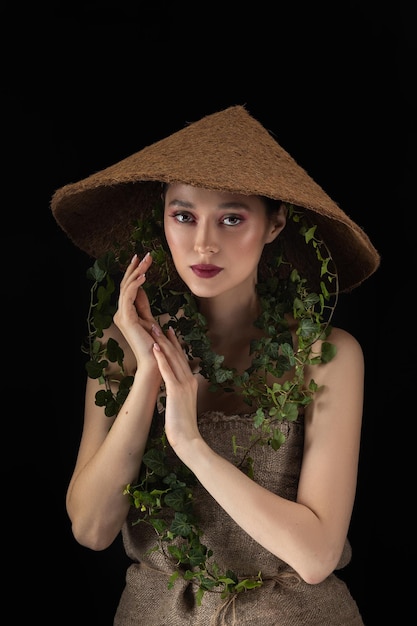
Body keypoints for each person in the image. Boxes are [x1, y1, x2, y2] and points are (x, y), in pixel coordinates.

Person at [51, 105, 380, 625]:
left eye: (232, 218)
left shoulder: (323, 356)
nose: (203, 242)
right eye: (184, 215)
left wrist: (191, 445)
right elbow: (91, 529)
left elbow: (316, 556)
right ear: (161, 216)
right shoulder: (117, 348)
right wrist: (149, 373)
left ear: (275, 224)